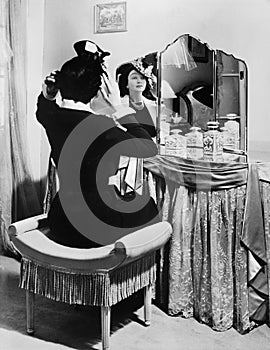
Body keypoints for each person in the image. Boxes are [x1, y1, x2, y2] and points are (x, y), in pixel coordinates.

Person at [36, 40, 159, 248]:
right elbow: (149, 148)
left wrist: (49, 93)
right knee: (150, 207)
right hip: (96, 225)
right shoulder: (102, 126)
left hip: (62, 219)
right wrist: (118, 108)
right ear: (96, 92)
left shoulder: (53, 117)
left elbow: (43, 109)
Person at [115, 57, 157, 139]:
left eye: (142, 78)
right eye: (134, 78)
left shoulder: (154, 106)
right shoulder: (119, 106)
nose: (139, 81)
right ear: (126, 83)